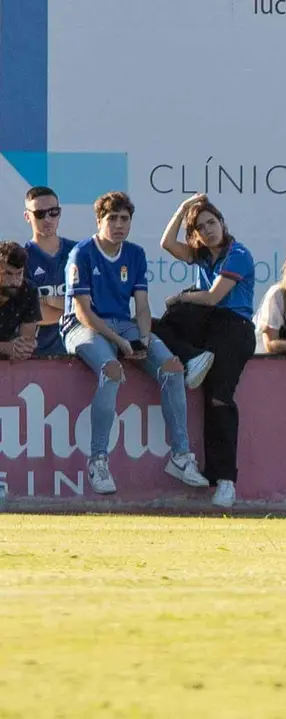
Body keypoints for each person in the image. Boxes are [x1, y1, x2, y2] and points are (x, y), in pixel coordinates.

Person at [62, 192, 208, 494]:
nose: (118, 225)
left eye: (124, 219)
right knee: (111, 369)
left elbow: (142, 307)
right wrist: (118, 341)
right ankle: (98, 461)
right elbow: (83, 311)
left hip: (123, 324)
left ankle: (180, 457)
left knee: (172, 366)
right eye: (111, 219)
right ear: (99, 220)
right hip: (82, 326)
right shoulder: (82, 253)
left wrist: (142, 338)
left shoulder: (135, 254)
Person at [155, 193, 259, 509]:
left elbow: (213, 298)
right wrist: (182, 210)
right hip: (210, 326)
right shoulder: (202, 254)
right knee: (154, 325)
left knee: (218, 399)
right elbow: (166, 244)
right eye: (201, 227)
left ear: (222, 223)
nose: (209, 230)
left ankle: (225, 481)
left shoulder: (238, 253)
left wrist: (181, 298)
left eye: (212, 222)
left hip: (235, 328)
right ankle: (192, 357)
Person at [23, 186, 76, 357]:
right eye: (39, 214)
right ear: (27, 217)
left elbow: (94, 302)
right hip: (38, 357)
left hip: (80, 355)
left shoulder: (78, 252)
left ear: (59, 213)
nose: (47, 219)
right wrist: (79, 314)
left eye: (53, 212)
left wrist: (50, 300)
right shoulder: (20, 258)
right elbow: (32, 313)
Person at [0, 242, 41, 359]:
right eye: (7, 273)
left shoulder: (28, 291)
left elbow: (27, 339)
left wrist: (24, 348)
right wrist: (5, 347)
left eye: (19, 274)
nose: (14, 281)